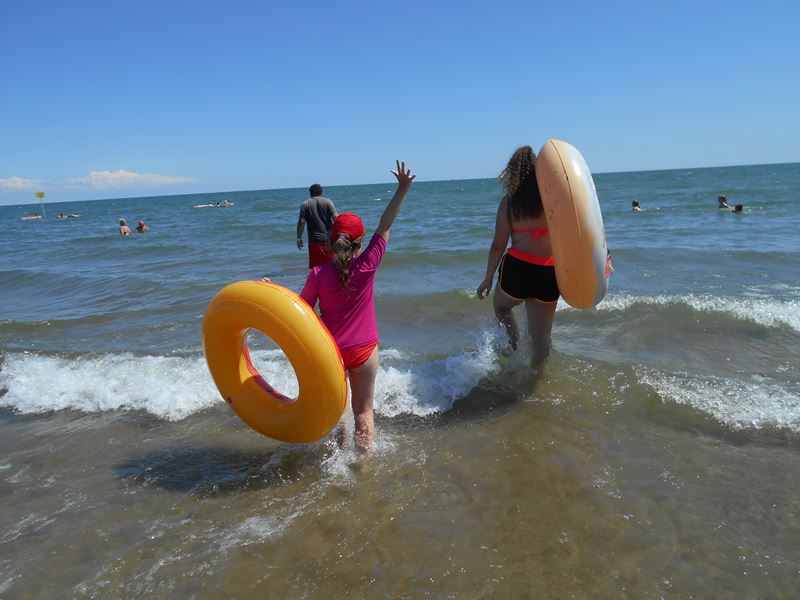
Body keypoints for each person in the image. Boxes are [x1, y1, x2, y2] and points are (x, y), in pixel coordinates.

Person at [300, 160, 415, 452]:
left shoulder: (318, 274)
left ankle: (336, 462)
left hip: (331, 354)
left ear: (329, 242)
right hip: (364, 352)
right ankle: (363, 467)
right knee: (364, 412)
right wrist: (402, 188)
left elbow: (300, 312)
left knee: (340, 415)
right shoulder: (367, 265)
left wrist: (269, 290)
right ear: (359, 245)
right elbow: (385, 224)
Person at [476, 146, 558, 368]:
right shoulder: (553, 200)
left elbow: (498, 245)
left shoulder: (509, 202)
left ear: (511, 172)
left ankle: (515, 348)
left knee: (502, 308)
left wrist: (488, 278)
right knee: (542, 336)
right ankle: (536, 376)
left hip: (518, 268)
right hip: (549, 270)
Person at [297, 184, 338, 268]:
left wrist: (299, 238)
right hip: (329, 240)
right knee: (332, 267)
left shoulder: (305, 204)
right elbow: (336, 218)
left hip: (314, 241)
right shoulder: (327, 202)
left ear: (310, 193)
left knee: (316, 268)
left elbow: (301, 222)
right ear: (321, 192)